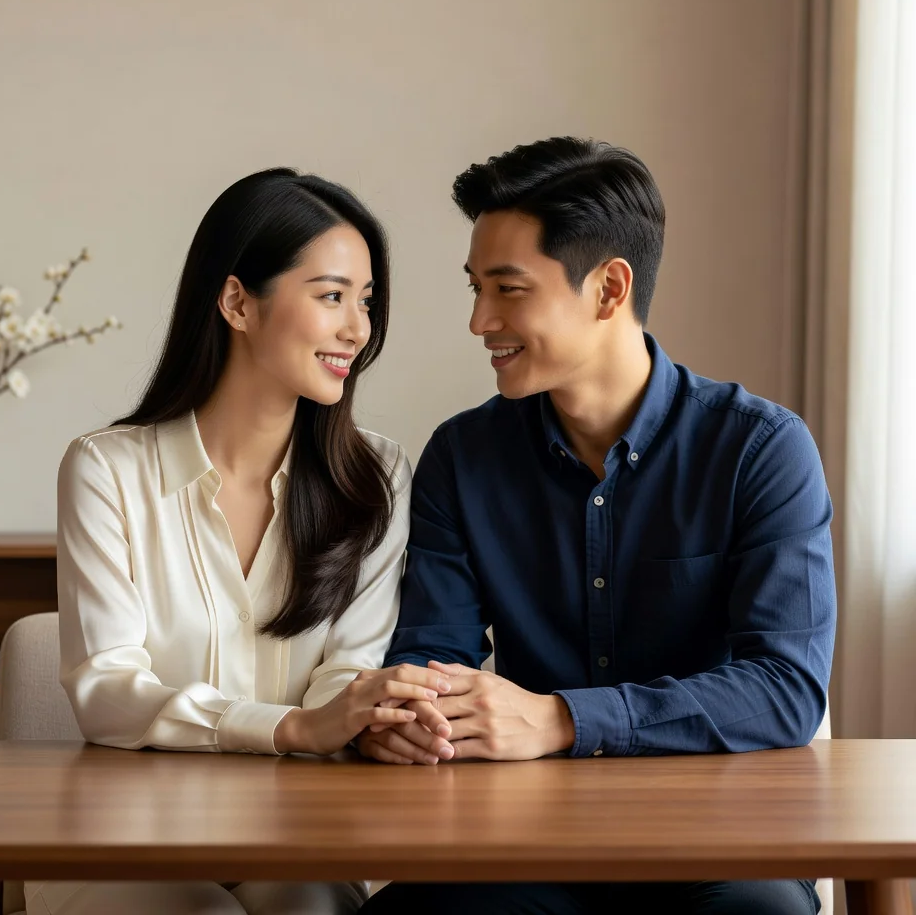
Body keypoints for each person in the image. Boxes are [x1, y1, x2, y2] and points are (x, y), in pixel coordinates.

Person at [357, 137, 835, 915]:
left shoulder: (759, 448)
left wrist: (562, 717)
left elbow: (784, 690)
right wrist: (413, 719)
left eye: (508, 290)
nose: (480, 320)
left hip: (716, 845)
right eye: (476, 288)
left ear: (610, 288)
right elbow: (432, 655)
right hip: (516, 846)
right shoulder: (462, 456)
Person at [27, 169, 450, 915]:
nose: (359, 328)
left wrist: (362, 716)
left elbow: (351, 668)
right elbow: (107, 691)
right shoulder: (106, 470)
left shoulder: (375, 477)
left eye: (366, 301)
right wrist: (291, 728)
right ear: (236, 303)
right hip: (127, 842)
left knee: (317, 905)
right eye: (331, 296)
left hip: (297, 834)